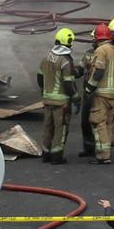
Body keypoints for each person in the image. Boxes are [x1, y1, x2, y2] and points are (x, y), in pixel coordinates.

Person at [39, 27, 83, 163]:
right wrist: (76, 98)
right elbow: (69, 83)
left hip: (47, 100)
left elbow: (40, 78)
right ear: (69, 43)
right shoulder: (65, 61)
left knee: (48, 127)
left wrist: (44, 92)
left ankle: (45, 154)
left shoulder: (46, 57)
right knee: (60, 129)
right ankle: (57, 156)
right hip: (61, 103)